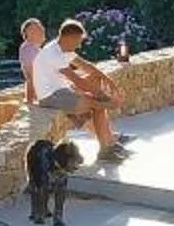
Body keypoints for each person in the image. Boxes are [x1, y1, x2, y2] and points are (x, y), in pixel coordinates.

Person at [43, 17, 130, 163]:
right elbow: (78, 81)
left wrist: (109, 81)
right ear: (69, 37)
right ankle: (106, 148)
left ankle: (108, 143)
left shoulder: (63, 47)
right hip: (53, 96)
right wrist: (108, 100)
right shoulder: (53, 54)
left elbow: (86, 66)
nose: (78, 46)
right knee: (97, 103)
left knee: (96, 80)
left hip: (63, 89)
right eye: (77, 41)